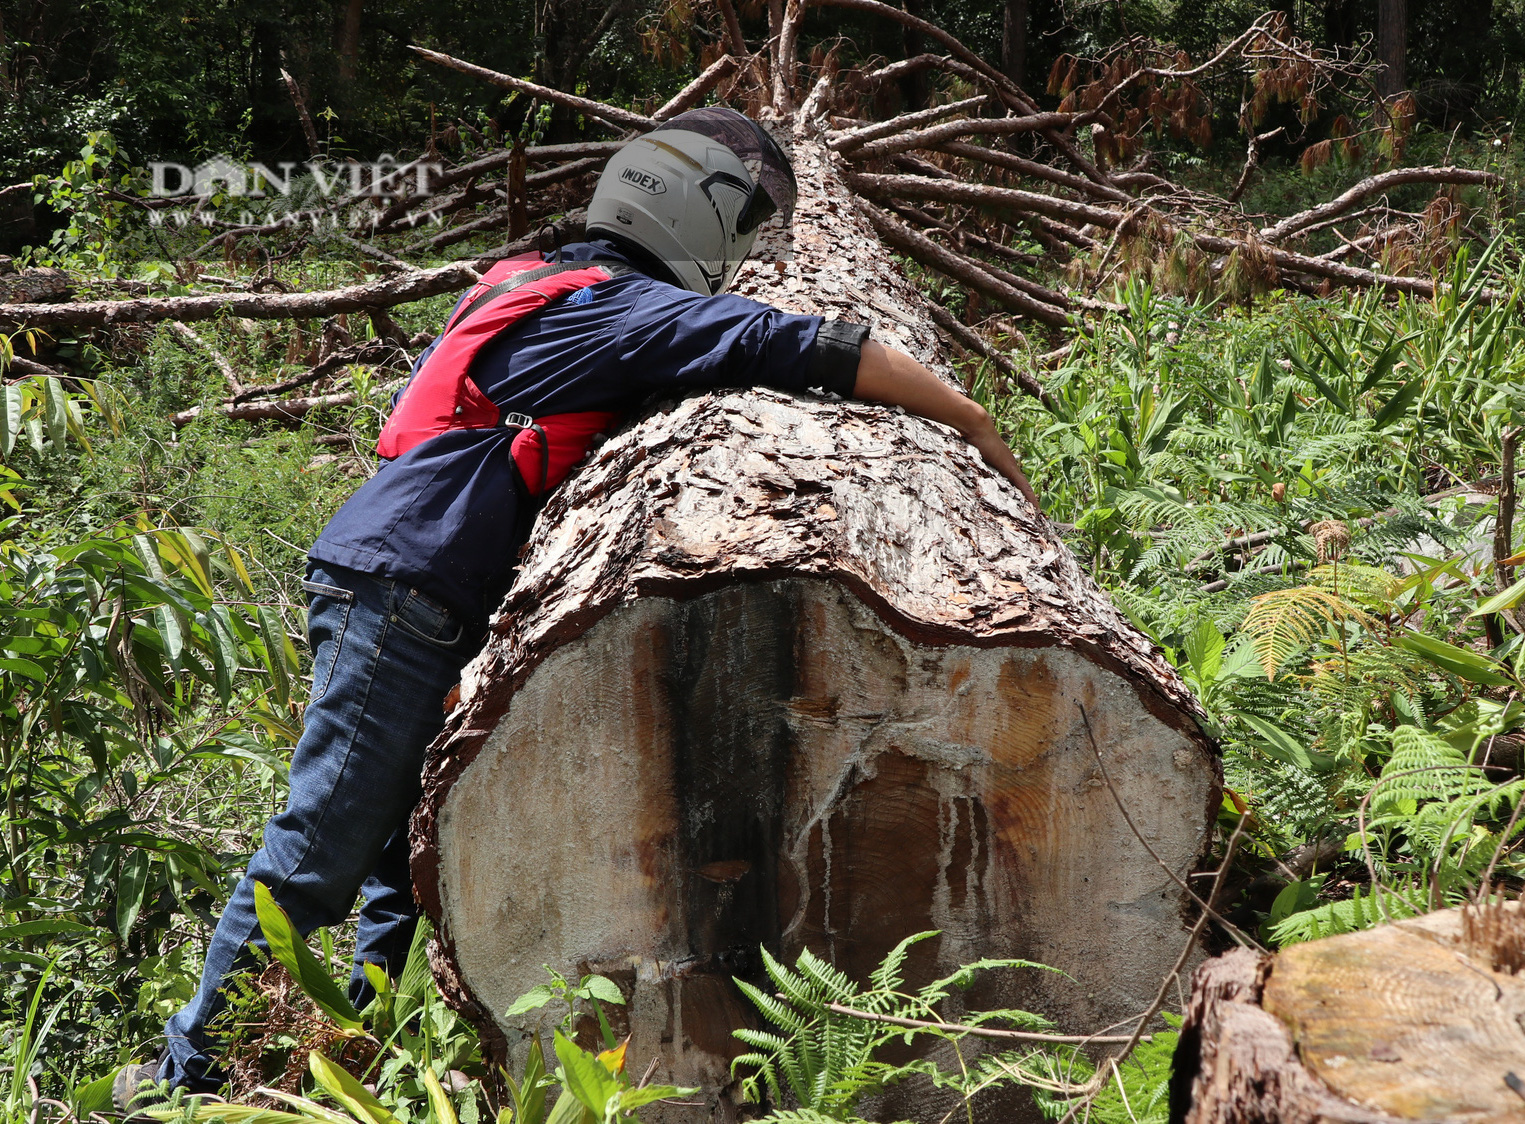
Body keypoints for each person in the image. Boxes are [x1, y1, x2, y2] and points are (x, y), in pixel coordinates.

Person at [115, 107, 1037, 1109]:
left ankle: (323, 1067)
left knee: (389, 871)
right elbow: (800, 343)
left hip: (397, 574)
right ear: (696, 216)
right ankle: (187, 1078)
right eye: (742, 225)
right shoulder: (615, 309)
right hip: (409, 584)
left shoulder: (530, 280)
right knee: (320, 848)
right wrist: (973, 416)